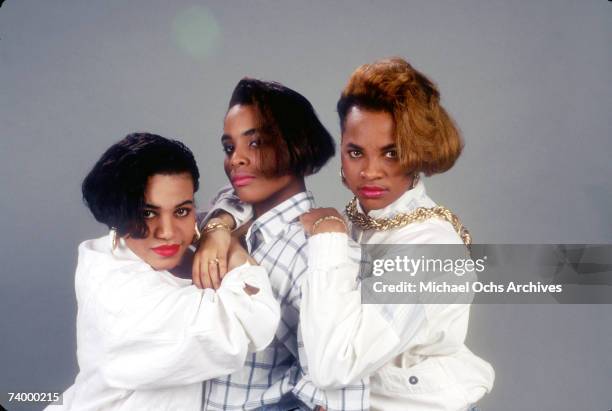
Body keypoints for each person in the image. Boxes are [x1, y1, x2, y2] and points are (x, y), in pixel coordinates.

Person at [298, 57, 495, 410]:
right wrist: (221, 224)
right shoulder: (355, 221)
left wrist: (328, 243)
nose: (370, 171)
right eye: (355, 152)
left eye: (392, 153)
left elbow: (334, 365)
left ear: (416, 152)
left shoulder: (431, 249)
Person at [46, 133, 280, 411]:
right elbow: (251, 319)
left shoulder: (149, 246)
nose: (167, 232)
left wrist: (216, 228)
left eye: (181, 210)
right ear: (117, 212)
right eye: (147, 213)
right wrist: (227, 243)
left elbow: (238, 196)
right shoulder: (118, 297)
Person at [194, 79, 368, 410]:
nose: (236, 161)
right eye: (230, 148)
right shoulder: (230, 219)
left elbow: (341, 389)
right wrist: (218, 227)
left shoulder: (314, 250)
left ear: (295, 145)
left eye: (255, 143)